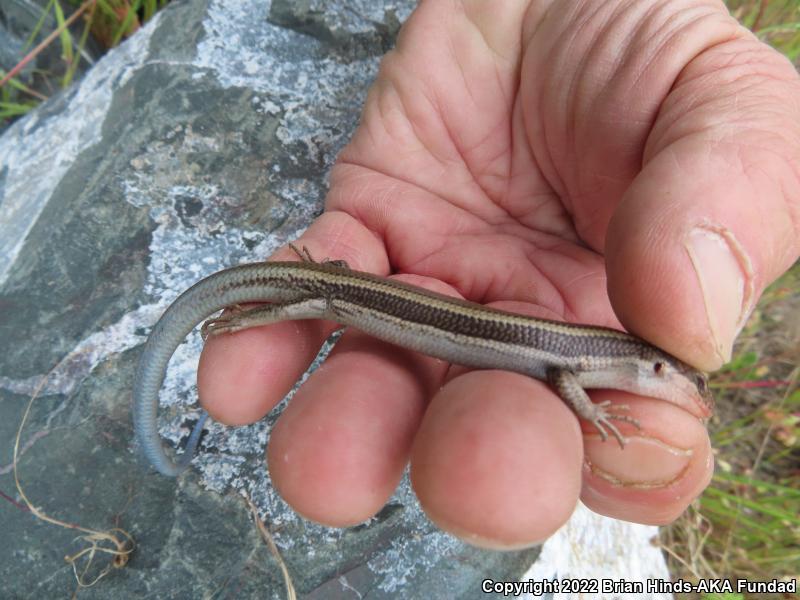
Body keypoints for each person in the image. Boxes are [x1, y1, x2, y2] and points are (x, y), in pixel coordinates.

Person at [197, 0, 800, 549]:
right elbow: (565, 379)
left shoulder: (605, 354)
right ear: (661, 371)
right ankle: (247, 312)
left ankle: (256, 306)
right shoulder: (590, 360)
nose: (695, 399)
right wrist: (590, 415)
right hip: (360, 296)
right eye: (691, 389)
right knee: (310, 301)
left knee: (321, 303)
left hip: (390, 301)